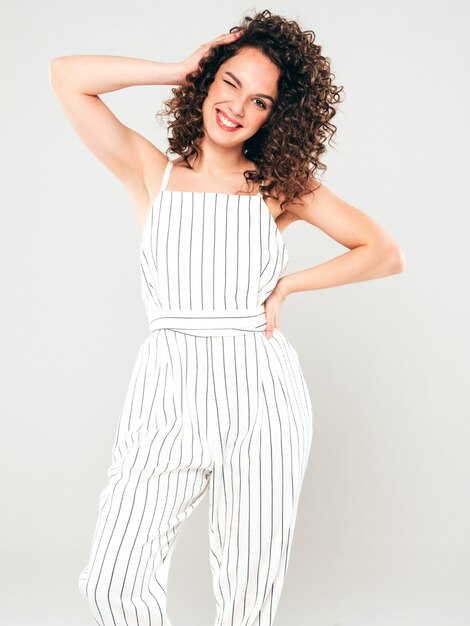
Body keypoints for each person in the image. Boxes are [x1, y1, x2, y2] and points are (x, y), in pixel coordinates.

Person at [49, 9, 405, 626]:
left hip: (261, 394)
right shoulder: (152, 174)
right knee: (113, 578)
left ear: (275, 117)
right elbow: (65, 76)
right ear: (208, 80)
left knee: (248, 591)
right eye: (230, 82)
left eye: (260, 101)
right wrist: (177, 67)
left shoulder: (278, 186)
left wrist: (290, 285)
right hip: (167, 388)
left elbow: (384, 252)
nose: (238, 107)